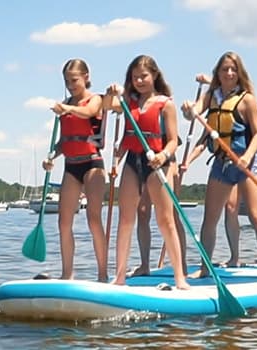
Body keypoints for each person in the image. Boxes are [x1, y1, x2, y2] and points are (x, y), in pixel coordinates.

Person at [181, 51, 257, 280]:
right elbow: (194, 113)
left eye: (233, 69)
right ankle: (206, 267)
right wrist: (188, 110)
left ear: (239, 73)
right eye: (224, 69)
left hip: (246, 163)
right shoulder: (212, 96)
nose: (228, 73)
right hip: (221, 164)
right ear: (217, 72)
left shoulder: (247, 100)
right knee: (210, 218)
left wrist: (247, 156)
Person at [101, 54, 188, 288]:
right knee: (126, 218)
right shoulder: (127, 102)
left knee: (165, 219)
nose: (139, 81)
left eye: (144, 76)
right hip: (133, 161)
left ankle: (179, 276)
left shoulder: (165, 104)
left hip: (158, 163)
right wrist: (110, 93)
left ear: (154, 76)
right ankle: (119, 277)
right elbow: (107, 106)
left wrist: (162, 156)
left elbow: (172, 141)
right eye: (135, 77)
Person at [41, 58, 109, 281]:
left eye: (74, 80)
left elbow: (88, 113)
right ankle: (67, 274)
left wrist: (66, 108)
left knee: (93, 219)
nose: (70, 85)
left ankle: (102, 274)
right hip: (71, 165)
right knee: (63, 222)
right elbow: (63, 141)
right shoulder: (66, 105)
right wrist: (52, 156)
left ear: (86, 77)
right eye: (66, 81)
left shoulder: (95, 99)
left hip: (92, 164)